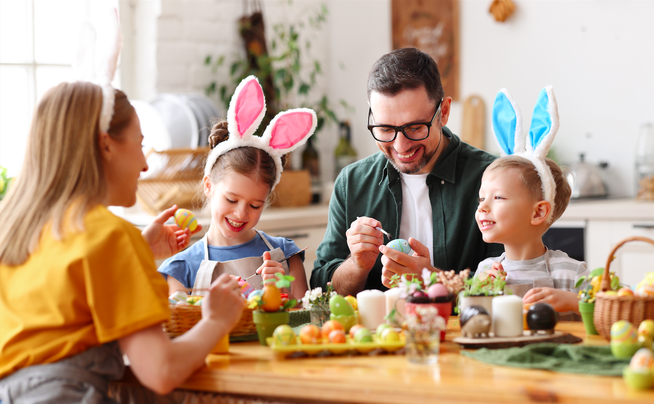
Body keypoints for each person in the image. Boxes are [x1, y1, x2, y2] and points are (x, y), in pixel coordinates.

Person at [0, 81, 246, 400]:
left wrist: (138, 250)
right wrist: (217, 320)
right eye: (140, 143)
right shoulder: (109, 235)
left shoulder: (16, 225)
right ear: (106, 146)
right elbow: (161, 371)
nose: (145, 165)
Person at [310, 48, 504, 296]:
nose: (400, 147)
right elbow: (319, 291)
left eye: (414, 127)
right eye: (385, 128)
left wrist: (432, 280)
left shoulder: (491, 177)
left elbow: (512, 283)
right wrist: (356, 265)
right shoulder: (352, 183)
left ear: (443, 112)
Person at [158, 75, 315, 300]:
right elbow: (181, 330)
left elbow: (307, 325)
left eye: (255, 205)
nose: (241, 213)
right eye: (232, 200)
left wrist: (282, 294)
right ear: (208, 186)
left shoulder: (284, 256)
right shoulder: (182, 268)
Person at [474, 86, 589, 320]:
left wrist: (575, 302)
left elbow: (614, 310)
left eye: (498, 197)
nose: (482, 207)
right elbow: (472, 322)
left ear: (538, 213)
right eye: (481, 198)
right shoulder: (486, 271)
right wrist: (480, 293)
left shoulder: (571, 272)